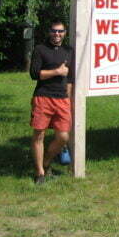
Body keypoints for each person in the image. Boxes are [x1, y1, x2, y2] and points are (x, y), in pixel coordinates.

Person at [29, 21, 74, 184]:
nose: (57, 34)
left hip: (62, 99)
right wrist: (56, 72)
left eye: (60, 31)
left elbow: (70, 78)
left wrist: (68, 98)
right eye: (54, 31)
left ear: (65, 32)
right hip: (43, 97)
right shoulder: (40, 49)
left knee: (63, 137)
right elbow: (34, 74)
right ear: (49, 32)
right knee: (39, 134)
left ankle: (46, 162)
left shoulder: (69, 51)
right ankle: (40, 172)